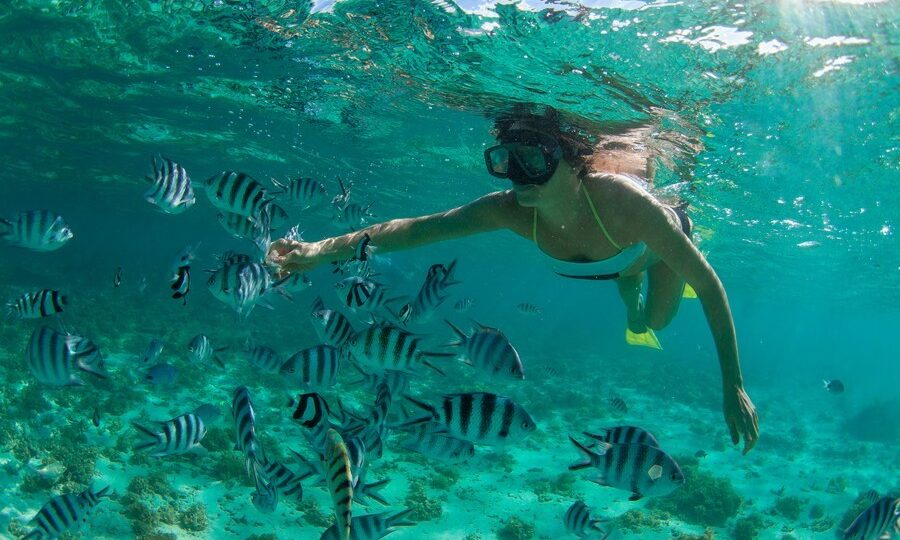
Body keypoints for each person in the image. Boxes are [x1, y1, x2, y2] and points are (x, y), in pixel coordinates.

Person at [267, 105, 759, 454]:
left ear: (572, 160)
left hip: (653, 251)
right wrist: (318, 251)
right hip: (612, 260)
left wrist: (732, 385)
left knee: (658, 319)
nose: (519, 176)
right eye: (506, 161)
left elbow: (711, 285)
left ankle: (638, 278)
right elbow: (417, 230)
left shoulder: (624, 203)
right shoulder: (509, 210)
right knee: (627, 284)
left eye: (535, 160)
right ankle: (625, 282)